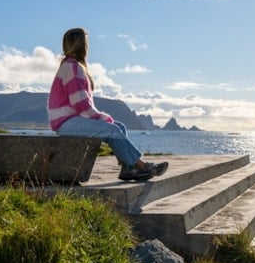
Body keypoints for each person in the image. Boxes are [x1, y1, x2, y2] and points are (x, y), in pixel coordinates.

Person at [48, 27, 167, 181]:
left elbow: (81, 104)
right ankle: (143, 167)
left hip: (71, 121)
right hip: (66, 123)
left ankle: (128, 169)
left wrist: (101, 118)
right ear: (82, 45)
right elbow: (81, 104)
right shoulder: (72, 67)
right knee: (112, 130)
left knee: (119, 127)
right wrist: (102, 118)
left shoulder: (71, 66)